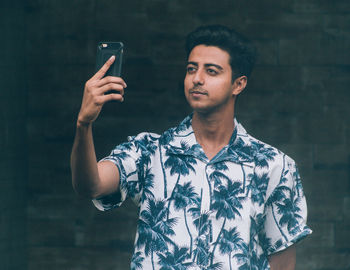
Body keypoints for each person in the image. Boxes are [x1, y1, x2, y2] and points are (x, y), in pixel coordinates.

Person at [71, 25, 312, 270]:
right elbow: (90, 186)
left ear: (238, 84)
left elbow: (282, 262)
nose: (197, 78)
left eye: (212, 71)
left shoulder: (274, 165)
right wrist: (84, 123)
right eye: (191, 69)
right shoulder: (149, 151)